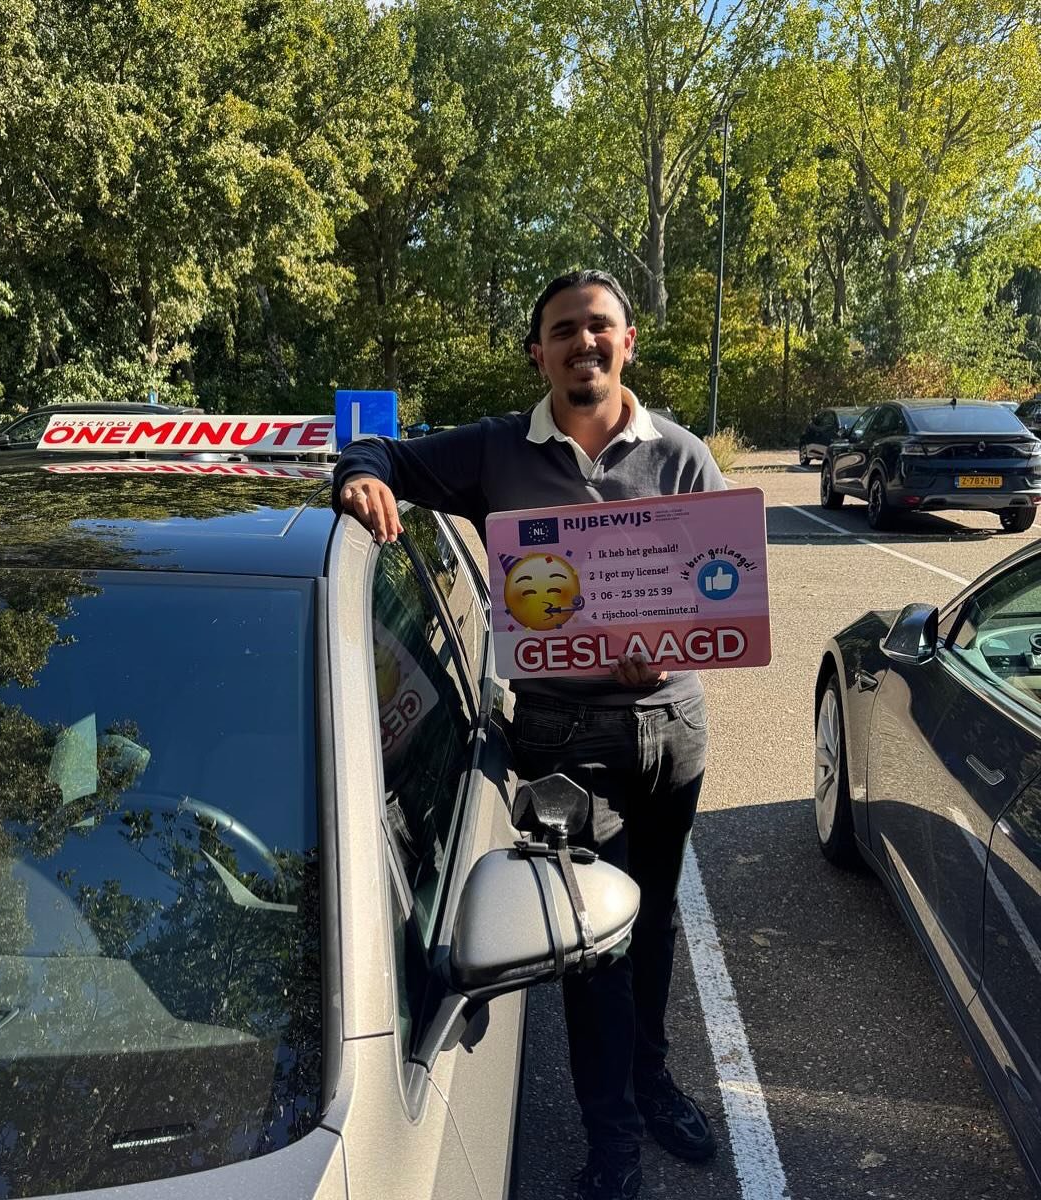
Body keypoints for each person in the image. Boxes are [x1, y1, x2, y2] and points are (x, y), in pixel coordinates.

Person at [333, 269, 725, 1200]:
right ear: (539, 352)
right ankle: (614, 1140)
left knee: (655, 920)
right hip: (564, 737)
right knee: (593, 943)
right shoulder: (495, 451)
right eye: (564, 330)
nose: (584, 342)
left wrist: (670, 643)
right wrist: (360, 478)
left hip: (672, 725)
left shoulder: (682, 456)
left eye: (600, 326)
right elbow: (377, 451)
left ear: (628, 342)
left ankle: (650, 1077)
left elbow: (721, 587)